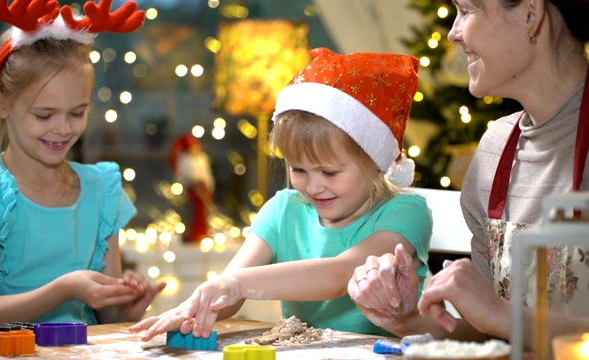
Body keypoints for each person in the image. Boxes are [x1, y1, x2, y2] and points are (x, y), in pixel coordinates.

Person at [348, 0, 589, 348]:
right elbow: (490, 334)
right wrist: (405, 316)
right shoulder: (495, 148)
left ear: (531, 14)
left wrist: (505, 317)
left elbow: (503, 321)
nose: (454, 33)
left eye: (467, 10)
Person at [129, 47, 433, 340]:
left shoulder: (405, 212)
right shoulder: (283, 209)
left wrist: (235, 283)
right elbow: (231, 290)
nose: (313, 187)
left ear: (374, 163)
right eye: (298, 170)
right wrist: (193, 308)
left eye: (329, 172)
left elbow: (338, 275)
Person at [0, 0, 165, 327]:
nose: (63, 128)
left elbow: (106, 317)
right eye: (44, 115)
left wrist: (126, 309)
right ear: (0, 104)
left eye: (77, 112)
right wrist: (64, 289)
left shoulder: (102, 191)